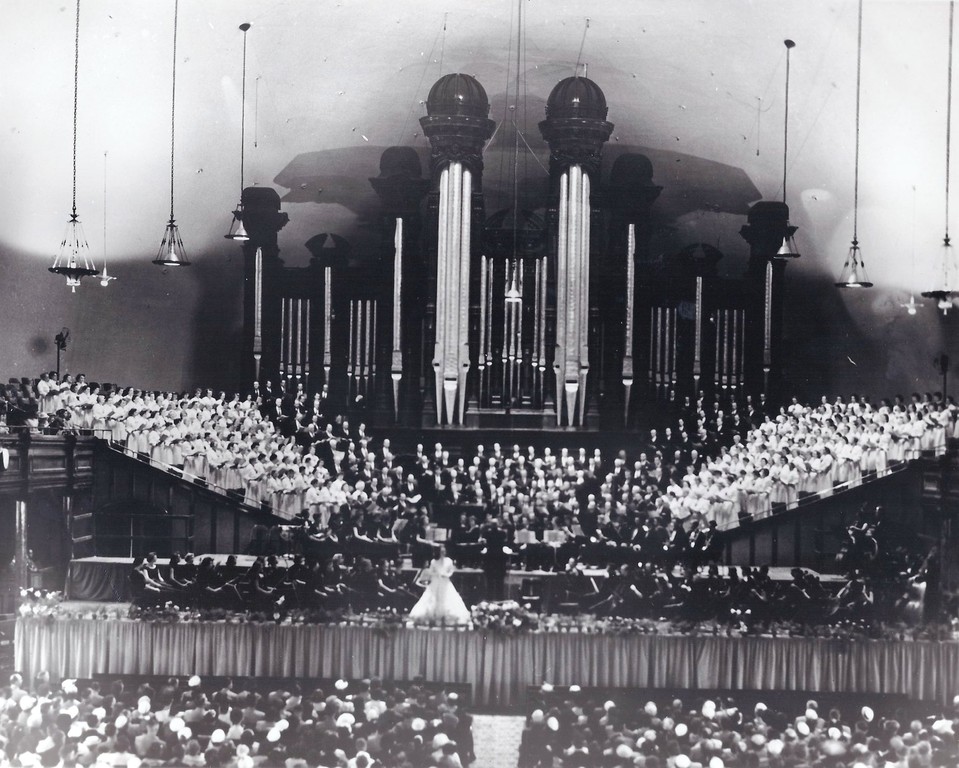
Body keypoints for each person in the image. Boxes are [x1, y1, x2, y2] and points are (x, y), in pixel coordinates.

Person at [409, 544, 471, 625]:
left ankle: (447, 618)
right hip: (436, 581)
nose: (443, 553)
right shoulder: (434, 562)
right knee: (432, 599)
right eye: (441, 551)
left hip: (445, 581)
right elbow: (431, 571)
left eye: (444, 551)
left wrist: (445, 574)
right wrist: (437, 573)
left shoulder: (449, 561)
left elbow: (451, 571)